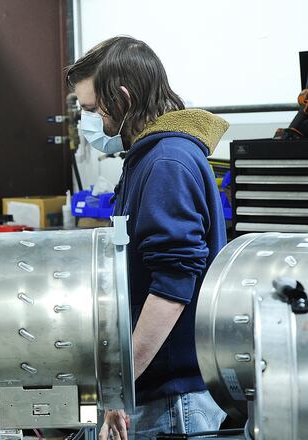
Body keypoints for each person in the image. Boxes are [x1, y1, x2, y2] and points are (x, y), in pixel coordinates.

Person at [66, 37, 229, 439]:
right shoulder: (146, 159)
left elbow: (172, 288)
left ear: (122, 98)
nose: (88, 122)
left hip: (173, 402)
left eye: (90, 109)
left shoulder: (166, 163)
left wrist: (120, 387)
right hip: (159, 394)